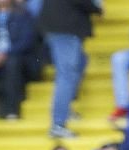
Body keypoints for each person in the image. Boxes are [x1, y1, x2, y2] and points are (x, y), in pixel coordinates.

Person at [38, 0, 99, 138]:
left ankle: (65, 109)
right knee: (66, 75)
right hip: (64, 29)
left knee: (81, 62)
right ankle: (58, 124)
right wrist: (97, 7)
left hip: (59, 26)